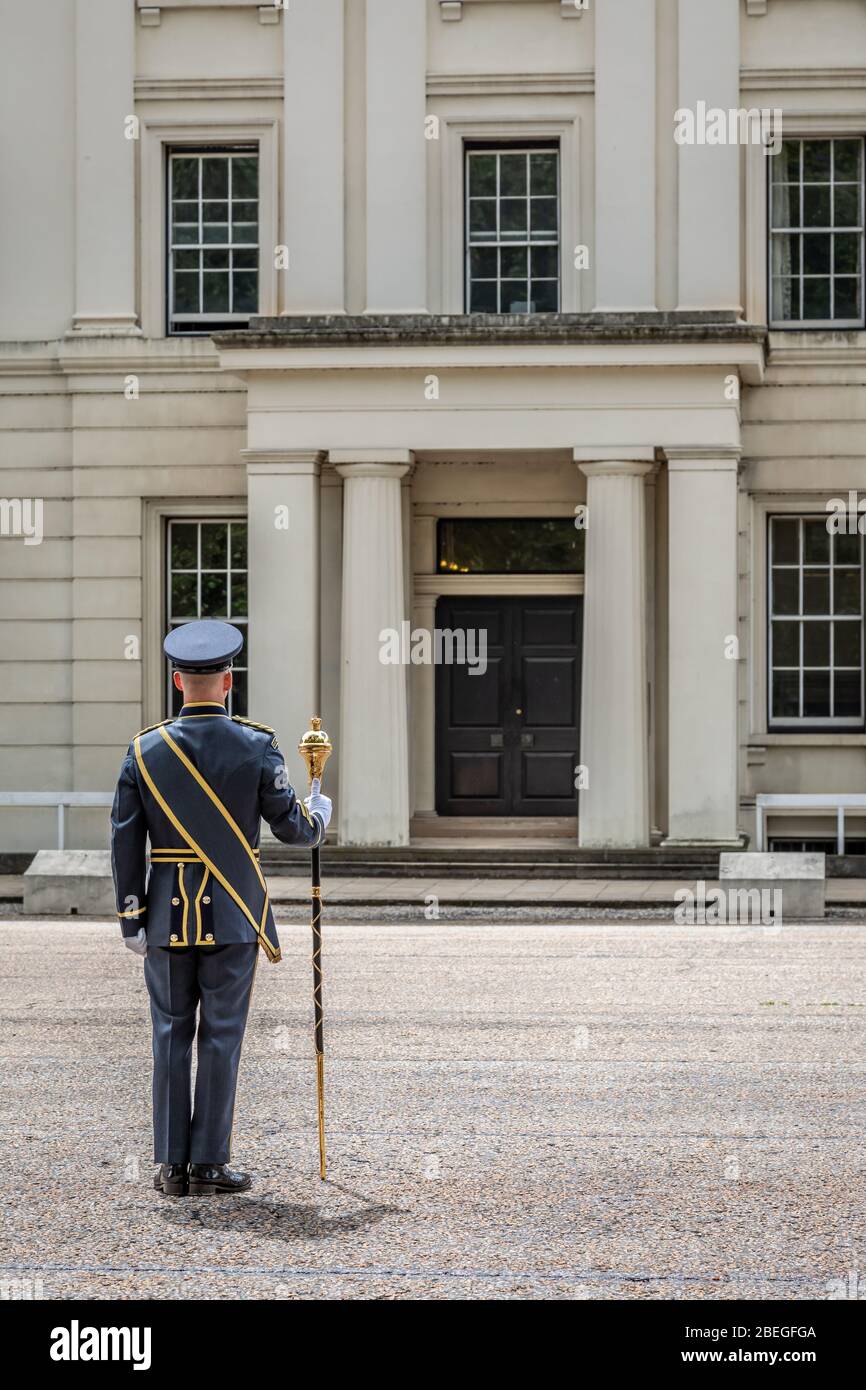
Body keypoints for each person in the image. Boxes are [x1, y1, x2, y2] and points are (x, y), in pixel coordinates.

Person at [110, 619, 332, 1197]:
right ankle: (209, 1164)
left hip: (165, 915)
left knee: (168, 1035)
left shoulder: (144, 749)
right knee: (222, 1035)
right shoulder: (257, 744)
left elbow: (125, 839)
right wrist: (319, 811)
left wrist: (131, 914)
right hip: (232, 914)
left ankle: (169, 1166)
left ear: (179, 681)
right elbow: (294, 832)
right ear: (228, 682)